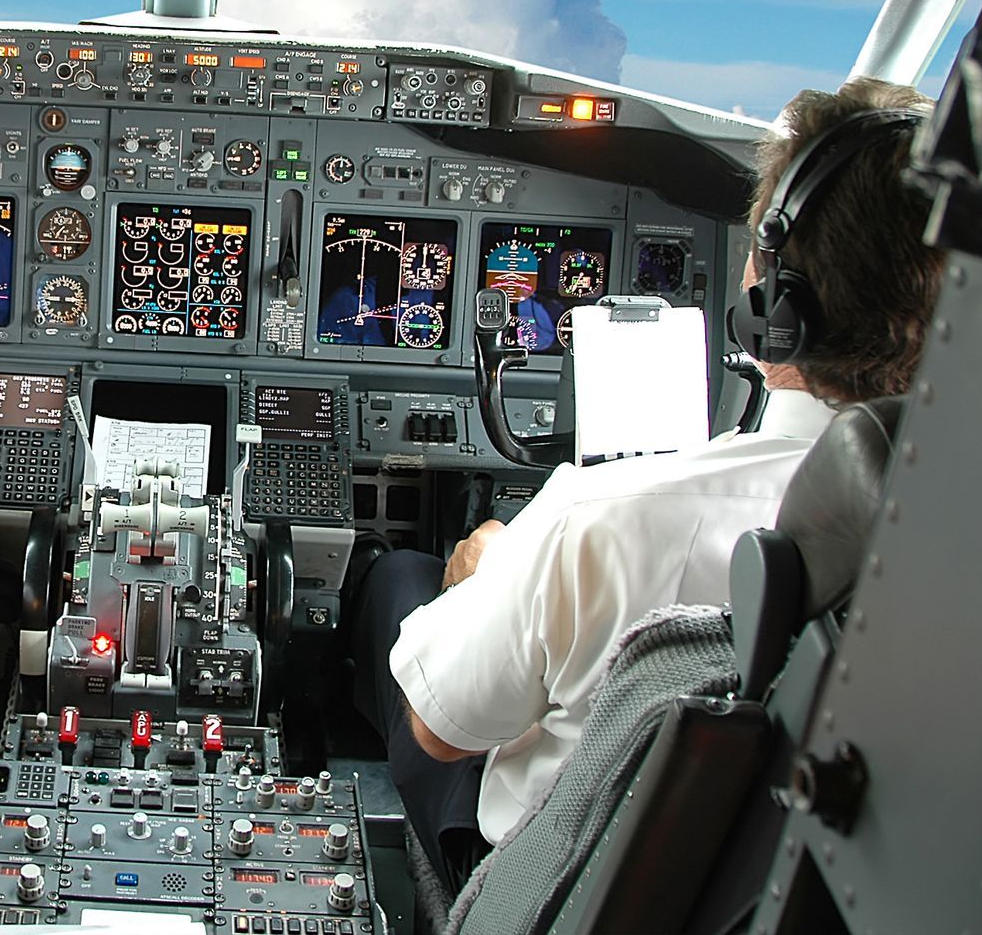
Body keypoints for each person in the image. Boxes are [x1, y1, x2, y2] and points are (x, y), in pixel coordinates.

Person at [348, 78, 945, 888]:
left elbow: (438, 731)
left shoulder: (602, 518)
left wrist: (482, 583)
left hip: (542, 883)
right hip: (750, 891)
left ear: (773, 306)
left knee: (399, 577)